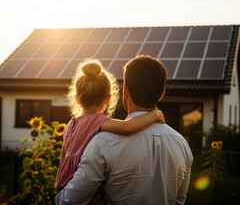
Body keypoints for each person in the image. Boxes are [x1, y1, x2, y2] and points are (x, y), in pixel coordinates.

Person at [56, 55, 193, 205]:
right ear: (162, 94)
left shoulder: (103, 142)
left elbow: (71, 200)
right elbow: (179, 200)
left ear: (125, 91)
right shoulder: (182, 144)